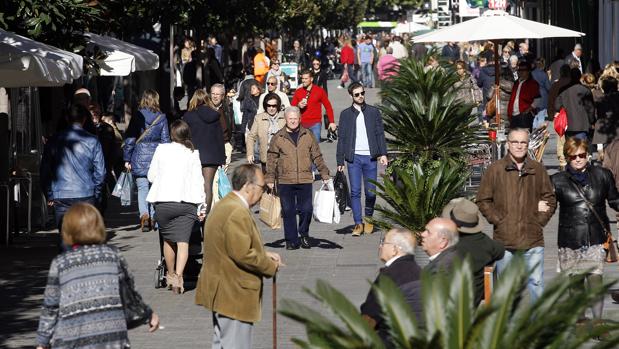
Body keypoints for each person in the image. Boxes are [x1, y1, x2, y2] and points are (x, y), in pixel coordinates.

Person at [36, 203, 159, 349]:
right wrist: (148, 314)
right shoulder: (112, 255)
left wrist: (43, 341)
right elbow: (129, 292)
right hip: (112, 339)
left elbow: (51, 306)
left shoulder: (61, 263)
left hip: (72, 339)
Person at [195, 164, 283, 348]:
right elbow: (242, 254)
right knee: (234, 344)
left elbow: (230, 245)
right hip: (233, 292)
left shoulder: (227, 205)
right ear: (247, 186)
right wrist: (268, 265)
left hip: (224, 290)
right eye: (261, 188)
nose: (263, 193)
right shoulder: (236, 211)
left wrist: (264, 253)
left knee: (222, 343)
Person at [477, 128, 556, 302]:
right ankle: (508, 324)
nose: (519, 146)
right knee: (507, 287)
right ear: (508, 144)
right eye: (515, 142)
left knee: (536, 283)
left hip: (533, 239)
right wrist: (499, 220)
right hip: (505, 241)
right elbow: (483, 200)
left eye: (523, 142)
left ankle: (538, 325)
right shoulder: (495, 170)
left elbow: (550, 199)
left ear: (528, 145)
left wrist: (539, 221)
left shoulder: (537, 169)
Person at [551, 138, 619, 321]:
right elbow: (547, 207)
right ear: (567, 157)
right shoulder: (557, 181)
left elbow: (614, 200)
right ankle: (580, 321)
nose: (578, 159)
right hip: (569, 240)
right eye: (573, 156)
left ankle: (598, 323)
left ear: (587, 154)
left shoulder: (602, 175)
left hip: (596, 237)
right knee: (576, 285)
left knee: (596, 283)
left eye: (581, 155)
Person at [147, 120, 205, 294]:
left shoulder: (161, 149)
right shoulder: (193, 153)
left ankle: (171, 274)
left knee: (168, 241)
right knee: (183, 242)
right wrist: (202, 205)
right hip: (186, 203)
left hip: (163, 202)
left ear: (172, 134)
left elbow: (151, 176)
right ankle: (179, 277)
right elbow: (198, 181)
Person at [266, 107, 330, 250]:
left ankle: (304, 234)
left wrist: (324, 173)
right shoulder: (278, 137)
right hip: (285, 180)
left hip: (305, 178)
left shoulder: (308, 134)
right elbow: (271, 159)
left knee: (306, 209)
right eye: (290, 119)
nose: (293, 121)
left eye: (295, 118)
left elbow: (317, 155)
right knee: (288, 210)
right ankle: (291, 240)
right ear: (286, 119)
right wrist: (270, 179)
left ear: (300, 119)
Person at [40, 104, 106, 243]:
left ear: (66, 118)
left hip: (61, 194)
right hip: (86, 194)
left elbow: (45, 170)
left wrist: (49, 194)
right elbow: (100, 173)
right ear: (84, 120)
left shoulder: (53, 140)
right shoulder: (93, 141)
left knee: (66, 239)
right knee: (87, 238)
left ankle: (67, 262)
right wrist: (97, 194)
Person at [336, 83, 388, 236]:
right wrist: (340, 161)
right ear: (351, 96)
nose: (360, 96)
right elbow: (342, 139)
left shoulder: (373, 112)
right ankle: (358, 223)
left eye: (362, 93)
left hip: (371, 157)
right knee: (356, 191)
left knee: (371, 193)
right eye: (357, 94)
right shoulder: (345, 114)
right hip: (354, 158)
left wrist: (383, 154)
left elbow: (380, 134)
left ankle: (369, 219)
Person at [360, 228, 420, 343]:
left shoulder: (390, 275)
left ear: (394, 249)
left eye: (383, 242)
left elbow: (370, 317)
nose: (380, 246)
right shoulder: (419, 271)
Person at [442, 198, 505, 305]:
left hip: (453, 303)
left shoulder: (450, 247)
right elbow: (500, 251)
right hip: (476, 297)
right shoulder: (485, 241)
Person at [124, 90, 170, 232]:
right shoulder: (162, 117)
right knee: (155, 189)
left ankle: (144, 215)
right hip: (156, 158)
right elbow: (165, 140)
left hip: (139, 157)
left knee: (142, 188)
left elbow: (131, 139)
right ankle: (155, 217)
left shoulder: (137, 116)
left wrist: (127, 158)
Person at [183, 90, 226, 214]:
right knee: (208, 186)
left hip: (193, 154)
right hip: (212, 156)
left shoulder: (188, 116)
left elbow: (185, 137)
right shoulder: (214, 115)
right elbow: (220, 137)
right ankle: (205, 215)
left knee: (194, 185)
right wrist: (222, 158)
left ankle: (195, 212)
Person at [291, 70, 335, 143]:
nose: (303, 81)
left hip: (315, 123)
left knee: (315, 146)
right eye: (302, 79)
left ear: (311, 79)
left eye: (306, 79)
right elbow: (291, 108)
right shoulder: (298, 92)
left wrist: (332, 122)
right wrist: (298, 105)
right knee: (302, 147)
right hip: (301, 124)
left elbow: (328, 107)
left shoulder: (319, 91)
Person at [247, 93, 286, 172]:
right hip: (266, 157)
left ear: (278, 106)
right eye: (269, 106)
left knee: (282, 183)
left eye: (274, 106)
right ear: (265, 105)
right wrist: (250, 153)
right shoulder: (259, 118)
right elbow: (251, 137)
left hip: (283, 157)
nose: (271, 108)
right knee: (268, 182)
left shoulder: (285, 117)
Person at [555, 68, 595, 141]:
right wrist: (592, 121)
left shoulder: (563, 90)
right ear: (580, 76)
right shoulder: (585, 90)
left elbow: (557, 106)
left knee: (571, 149)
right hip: (583, 125)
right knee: (581, 148)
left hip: (569, 125)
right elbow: (590, 109)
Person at [549, 64, 573, 169]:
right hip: (571, 114)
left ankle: (562, 161)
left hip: (558, 114)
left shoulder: (556, 84)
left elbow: (551, 100)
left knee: (560, 138)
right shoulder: (572, 84)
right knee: (571, 137)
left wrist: (551, 114)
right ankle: (570, 158)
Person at [507, 61, 540, 131]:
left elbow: (537, 100)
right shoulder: (516, 83)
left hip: (524, 116)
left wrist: (527, 111)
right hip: (513, 115)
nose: (521, 72)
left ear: (528, 71)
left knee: (524, 137)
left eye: (524, 70)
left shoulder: (532, 84)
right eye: (520, 70)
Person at [210, 84, 235, 171]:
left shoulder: (228, 109)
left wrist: (231, 144)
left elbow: (232, 127)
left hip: (225, 144)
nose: (215, 96)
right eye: (213, 93)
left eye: (218, 94)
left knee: (223, 174)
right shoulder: (206, 109)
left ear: (223, 96)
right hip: (211, 146)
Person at [531, 57, 551, 129]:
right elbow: (548, 87)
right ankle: (539, 132)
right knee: (541, 115)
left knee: (534, 115)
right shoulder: (544, 74)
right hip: (543, 96)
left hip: (533, 95)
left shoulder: (531, 74)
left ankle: (534, 130)